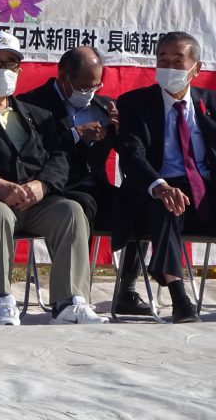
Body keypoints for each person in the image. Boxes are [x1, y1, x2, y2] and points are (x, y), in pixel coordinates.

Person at [0, 31, 106, 326]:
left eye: (11, 63)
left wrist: (42, 186)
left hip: (33, 204)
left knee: (71, 210)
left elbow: (60, 155)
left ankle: (69, 301)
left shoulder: (37, 114)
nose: (4, 69)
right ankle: (0, 299)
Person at [18, 45, 150, 316]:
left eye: (96, 85)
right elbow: (32, 152)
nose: (89, 91)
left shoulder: (104, 105)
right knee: (79, 208)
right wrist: (75, 134)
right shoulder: (31, 103)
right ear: (63, 77)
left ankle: (127, 289)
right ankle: (73, 294)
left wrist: (122, 132)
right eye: (83, 85)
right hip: (56, 190)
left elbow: (130, 152)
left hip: (95, 187)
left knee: (141, 204)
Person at [117, 30, 215, 323]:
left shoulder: (210, 102)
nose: (169, 67)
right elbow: (132, 154)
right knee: (166, 207)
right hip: (155, 188)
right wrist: (159, 186)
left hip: (204, 187)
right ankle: (179, 297)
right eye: (163, 60)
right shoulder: (134, 103)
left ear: (196, 69)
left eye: (178, 61)